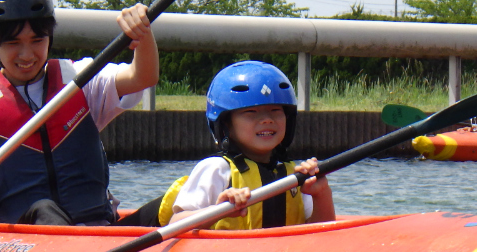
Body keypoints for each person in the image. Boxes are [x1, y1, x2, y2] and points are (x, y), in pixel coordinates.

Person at [0, 0, 158, 226]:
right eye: (13, 42)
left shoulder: (80, 80)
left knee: (176, 198)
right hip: (23, 240)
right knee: (45, 209)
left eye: (37, 40)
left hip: (99, 233)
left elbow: (142, 77)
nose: (27, 54)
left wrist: (142, 33)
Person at [127, 61, 335, 230]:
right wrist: (219, 209)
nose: (266, 120)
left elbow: (321, 232)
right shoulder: (216, 169)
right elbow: (176, 223)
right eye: (250, 113)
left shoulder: (293, 175)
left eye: (275, 111)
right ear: (226, 125)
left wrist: (320, 193)